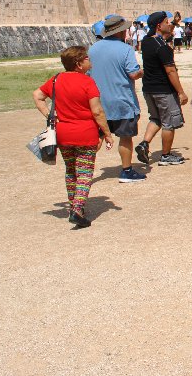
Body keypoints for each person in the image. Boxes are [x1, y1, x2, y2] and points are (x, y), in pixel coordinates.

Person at [33, 45, 113, 228]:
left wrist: (50, 116)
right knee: (85, 172)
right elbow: (97, 111)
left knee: (71, 171)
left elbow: (37, 95)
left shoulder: (56, 79)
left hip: (63, 133)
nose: (89, 60)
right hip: (85, 133)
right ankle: (77, 209)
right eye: (86, 58)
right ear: (78, 64)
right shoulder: (87, 82)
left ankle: (74, 206)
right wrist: (107, 134)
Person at [88, 14, 145, 183]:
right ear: (121, 32)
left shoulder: (93, 49)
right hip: (122, 101)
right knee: (125, 137)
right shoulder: (125, 49)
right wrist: (142, 72)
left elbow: (89, 74)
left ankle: (84, 169)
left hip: (99, 101)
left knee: (97, 138)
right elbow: (133, 73)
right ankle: (126, 171)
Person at [134, 11, 188, 166]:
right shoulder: (163, 47)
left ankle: (144, 143)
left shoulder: (146, 41)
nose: (168, 24)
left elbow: (166, 31)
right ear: (159, 25)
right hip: (163, 90)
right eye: (166, 21)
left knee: (156, 118)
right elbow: (170, 70)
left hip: (148, 88)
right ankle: (166, 155)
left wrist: (175, 23)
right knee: (168, 122)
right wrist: (181, 92)